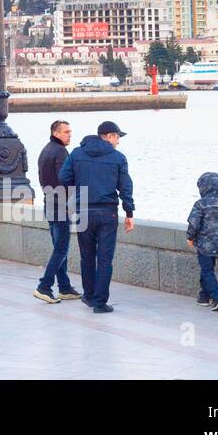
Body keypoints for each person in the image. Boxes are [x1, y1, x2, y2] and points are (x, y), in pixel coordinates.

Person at [59, 120, 135, 314]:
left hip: (83, 211)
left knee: (87, 256)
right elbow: (125, 187)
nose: (118, 142)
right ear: (108, 136)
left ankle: (90, 296)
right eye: (117, 137)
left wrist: (82, 183)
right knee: (105, 258)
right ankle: (100, 303)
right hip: (107, 213)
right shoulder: (118, 158)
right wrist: (129, 212)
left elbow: (63, 178)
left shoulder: (77, 153)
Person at [33, 120, 83, 304]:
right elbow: (65, 180)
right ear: (56, 133)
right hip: (61, 206)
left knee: (59, 248)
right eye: (66, 132)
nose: (70, 135)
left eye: (70, 131)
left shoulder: (45, 150)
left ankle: (64, 287)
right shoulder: (61, 151)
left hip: (50, 204)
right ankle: (44, 286)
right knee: (61, 249)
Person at [187, 172, 218, 311]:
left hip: (203, 244)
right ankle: (203, 297)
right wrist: (217, 234)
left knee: (206, 271)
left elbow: (194, 223)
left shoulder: (200, 204)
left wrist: (190, 237)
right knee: (208, 269)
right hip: (216, 244)